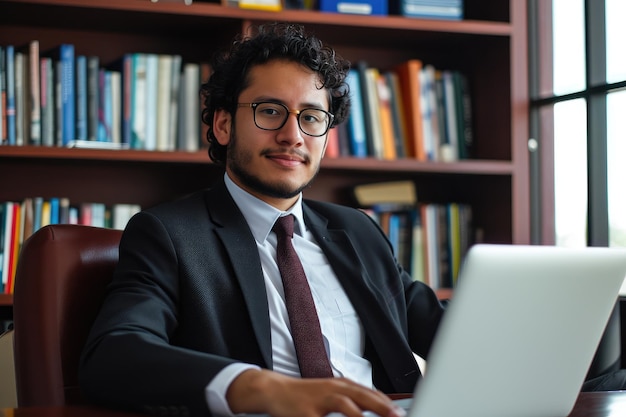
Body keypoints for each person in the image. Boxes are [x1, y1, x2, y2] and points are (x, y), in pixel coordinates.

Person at [79, 22, 445, 417]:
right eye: (269, 111)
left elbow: (455, 336)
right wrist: (254, 386)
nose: (292, 135)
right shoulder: (170, 234)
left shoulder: (358, 231)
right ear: (222, 125)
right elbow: (113, 354)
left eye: (311, 117)